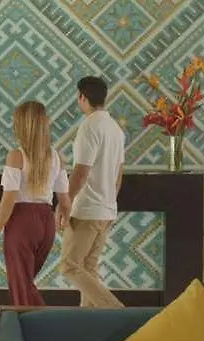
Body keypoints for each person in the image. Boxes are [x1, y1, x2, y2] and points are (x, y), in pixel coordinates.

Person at [0, 101, 70, 306]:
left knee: (21, 287)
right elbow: (65, 200)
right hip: (46, 224)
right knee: (25, 285)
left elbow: (7, 202)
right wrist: (63, 217)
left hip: (22, 221)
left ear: (21, 125)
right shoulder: (57, 157)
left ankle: (46, 323)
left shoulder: (16, 156)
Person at [56, 76, 125, 308]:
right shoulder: (115, 129)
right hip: (106, 210)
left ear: (82, 97)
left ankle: (115, 310)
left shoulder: (89, 126)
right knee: (88, 268)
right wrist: (109, 202)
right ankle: (89, 319)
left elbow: (80, 172)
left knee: (69, 266)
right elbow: (119, 174)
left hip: (86, 210)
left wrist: (65, 202)